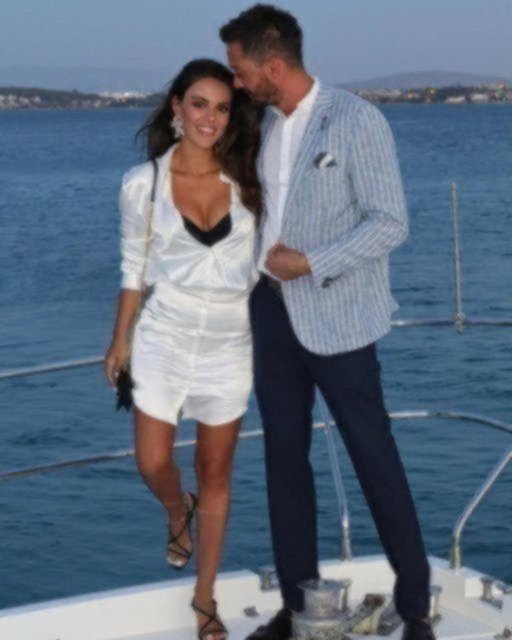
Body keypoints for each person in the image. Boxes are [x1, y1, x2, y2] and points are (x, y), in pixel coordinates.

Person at [220, 6, 435, 640]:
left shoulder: (357, 120)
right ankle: (295, 607)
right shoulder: (263, 124)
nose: (236, 81)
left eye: (240, 70)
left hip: (339, 317)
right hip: (271, 311)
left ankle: (415, 608)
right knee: (284, 462)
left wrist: (312, 262)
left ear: (273, 66)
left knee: (374, 458)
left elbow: (390, 222)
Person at [104, 58, 261, 640]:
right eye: (199, 104)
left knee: (216, 471)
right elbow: (133, 267)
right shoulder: (142, 183)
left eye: (221, 108)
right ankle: (177, 508)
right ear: (177, 107)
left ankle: (204, 598)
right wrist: (118, 339)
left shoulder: (250, 181)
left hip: (231, 343)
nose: (209, 118)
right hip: (164, 335)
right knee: (152, 461)